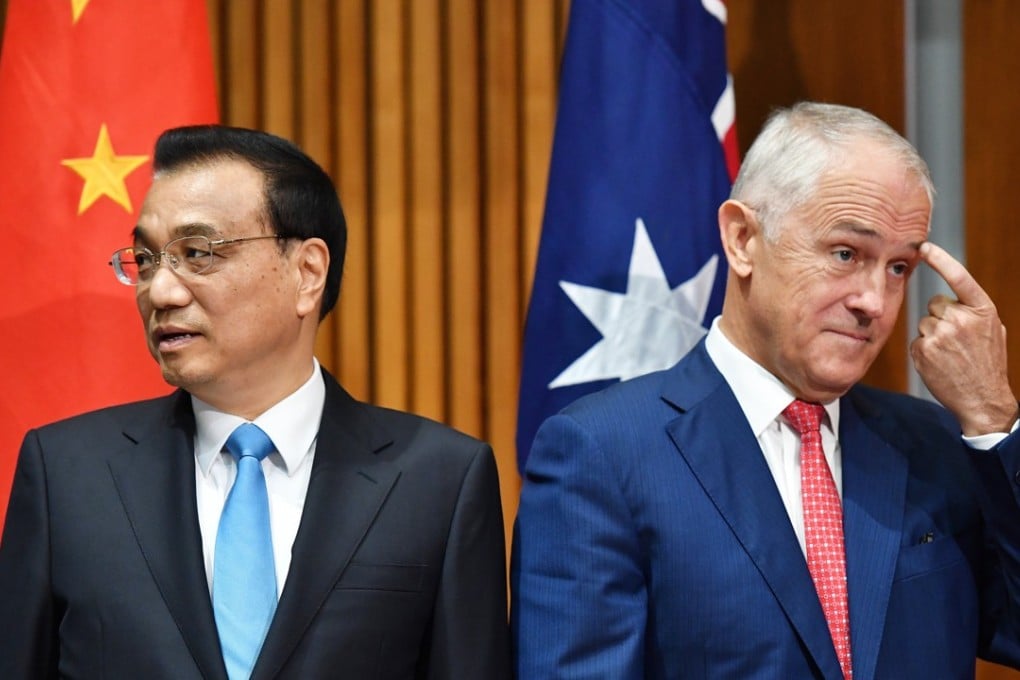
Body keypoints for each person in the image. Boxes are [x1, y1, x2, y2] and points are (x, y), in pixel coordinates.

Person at [511, 101, 1020, 679]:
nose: (874, 302)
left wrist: (992, 417)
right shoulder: (602, 453)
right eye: (846, 254)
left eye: (898, 268)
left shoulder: (936, 445)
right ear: (743, 239)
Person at [0, 125, 511, 679]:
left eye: (197, 253)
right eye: (145, 260)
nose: (161, 292)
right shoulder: (68, 475)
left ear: (307, 272)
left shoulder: (438, 480)